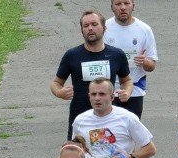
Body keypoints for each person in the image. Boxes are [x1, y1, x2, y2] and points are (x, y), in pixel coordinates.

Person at [50, 8, 132, 137]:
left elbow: (126, 80)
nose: (90, 28)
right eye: (86, 26)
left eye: (94, 24)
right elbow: (56, 83)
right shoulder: (72, 55)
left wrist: (126, 92)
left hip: (109, 116)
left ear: (104, 28)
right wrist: (59, 92)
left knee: (107, 152)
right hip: (80, 116)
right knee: (78, 154)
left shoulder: (116, 55)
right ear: (82, 30)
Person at [104, 0, 158, 119]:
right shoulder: (104, 28)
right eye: (118, 4)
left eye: (126, 3)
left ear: (133, 6)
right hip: (108, 90)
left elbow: (152, 66)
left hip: (135, 90)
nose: (123, 7)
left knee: (131, 134)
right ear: (112, 7)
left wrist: (144, 61)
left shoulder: (144, 30)